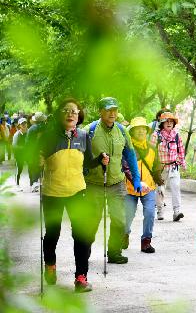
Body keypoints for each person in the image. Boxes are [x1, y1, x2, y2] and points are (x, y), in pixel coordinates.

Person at [39, 98, 107, 292]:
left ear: (79, 116)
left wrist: (101, 160)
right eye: (66, 110)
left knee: (81, 235)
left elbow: (87, 164)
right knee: (53, 233)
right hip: (53, 192)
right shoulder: (48, 137)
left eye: (74, 111)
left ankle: (81, 277)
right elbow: (37, 165)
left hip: (78, 191)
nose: (70, 114)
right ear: (60, 115)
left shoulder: (84, 136)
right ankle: (50, 265)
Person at [85, 97, 141, 265]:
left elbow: (130, 155)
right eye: (108, 110)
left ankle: (114, 252)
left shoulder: (122, 131)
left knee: (119, 219)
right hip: (94, 184)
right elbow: (80, 157)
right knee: (92, 221)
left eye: (115, 110)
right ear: (100, 111)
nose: (112, 113)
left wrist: (136, 179)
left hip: (117, 183)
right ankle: (84, 252)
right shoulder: (90, 130)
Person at [123, 117, 157, 253]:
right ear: (132, 132)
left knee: (150, 213)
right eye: (138, 129)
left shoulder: (152, 148)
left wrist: (159, 180)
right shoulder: (127, 148)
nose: (141, 131)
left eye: (143, 128)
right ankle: (124, 235)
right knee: (128, 215)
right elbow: (125, 168)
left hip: (149, 187)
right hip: (130, 188)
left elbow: (156, 166)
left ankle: (146, 241)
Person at [150, 111, 186, 221]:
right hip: (160, 168)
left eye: (171, 121)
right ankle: (160, 211)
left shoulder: (176, 135)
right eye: (166, 121)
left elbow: (181, 150)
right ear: (162, 123)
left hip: (174, 167)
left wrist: (182, 163)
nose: (169, 123)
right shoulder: (156, 135)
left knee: (176, 187)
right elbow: (151, 152)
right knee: (160, 189)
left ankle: (177, 211)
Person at [27, 112, 48, 192]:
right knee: (44, 168)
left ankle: (34, 183)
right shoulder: (48, 128)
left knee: (34, 167)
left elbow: (28, 142)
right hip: (45, 151)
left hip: (34, 151)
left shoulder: (32, 129)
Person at [12, 117, 28, 188]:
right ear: (19, 125)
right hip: (19, 155)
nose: (24, 125)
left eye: (25, 123)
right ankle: (17, 183)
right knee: (20, 169)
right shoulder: (16, 135)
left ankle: (32, 184)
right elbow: (14, 146)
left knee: (32, 168)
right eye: (22, 124)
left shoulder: (29, 132)